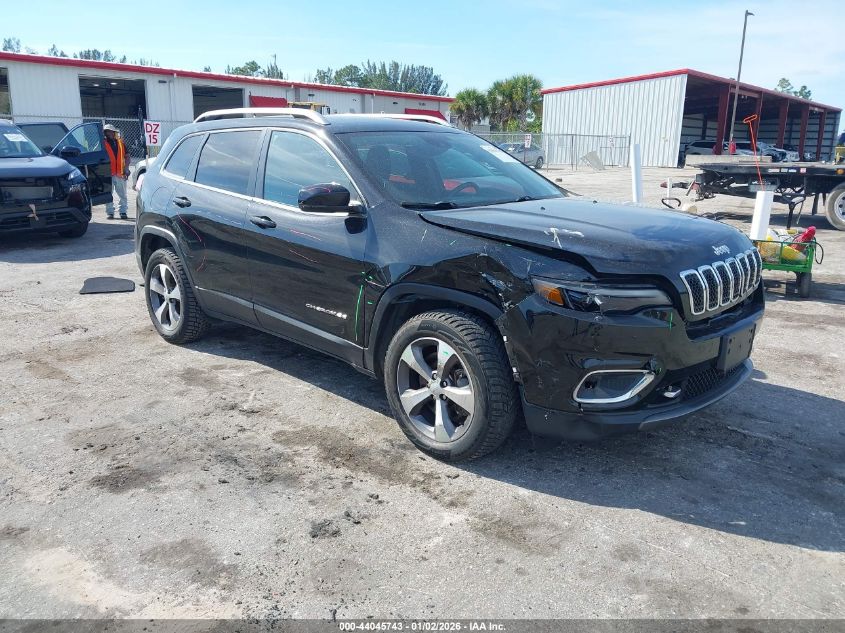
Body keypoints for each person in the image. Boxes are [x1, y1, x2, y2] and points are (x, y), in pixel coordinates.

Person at [103, 124, 130, 219]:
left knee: (122, 194)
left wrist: (126, 168)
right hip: (108, 173)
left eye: (110, 131)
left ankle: (123, 212)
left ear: (114, 133)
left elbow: (127, 157)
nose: (108, 133)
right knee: (108, 194)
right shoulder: (102, 144)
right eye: (106, 131)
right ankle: (110, 212)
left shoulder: (121, 143)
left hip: (120, 173)